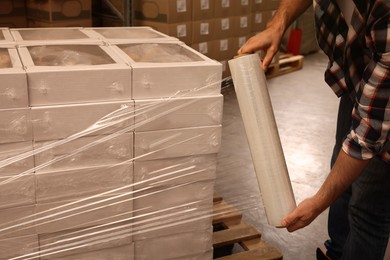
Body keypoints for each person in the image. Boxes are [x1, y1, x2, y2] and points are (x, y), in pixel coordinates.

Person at [238, 0, 390, 259]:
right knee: (340, 171)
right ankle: (337, 250)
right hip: (360, 73)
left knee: (367, 206)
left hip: (383, 93)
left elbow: (368, 132)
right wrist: (278, 24)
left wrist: (318, 202)